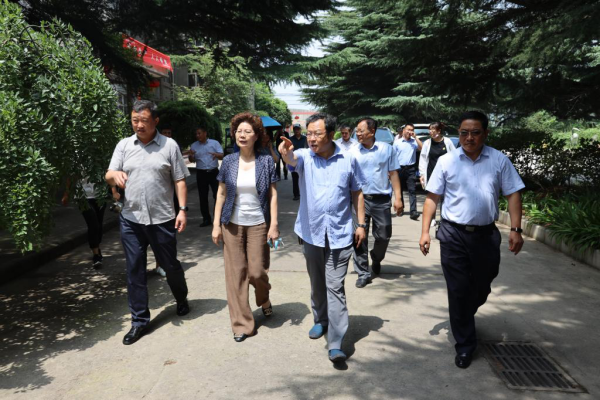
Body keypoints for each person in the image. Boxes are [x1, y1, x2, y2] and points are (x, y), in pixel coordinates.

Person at [419, 111, 525, 369]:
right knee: (458, 289)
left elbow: (513, 194)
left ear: (485, 133)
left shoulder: (499, 160)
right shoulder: (446, 161)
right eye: (464, 133)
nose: (469, 138)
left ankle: (464, 312)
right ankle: (465, 345)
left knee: (483, 283)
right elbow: (432, 198)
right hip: (453, 234)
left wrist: (516, 229)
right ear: (459, 133)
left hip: (486, 235)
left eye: (475, 133)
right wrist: (424, 232)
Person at [279, 113, 366, 364]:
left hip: (340, 233)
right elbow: (292, 159)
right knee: (317, 282)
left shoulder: (349, 159)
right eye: (309, 134)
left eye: (317, 134)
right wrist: (285, 153)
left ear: (330, 134)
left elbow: (357, 192)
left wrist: (361, 224)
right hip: (311, 232)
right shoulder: (305, 157)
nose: (312, 138)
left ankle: (336, 342)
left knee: (335, 286)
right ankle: (320, 319)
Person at [106, 100, 191, 346]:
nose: (139, 125)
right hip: (131, 219)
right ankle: (139, 321)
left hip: (162, 218)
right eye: (135, 120)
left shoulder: (169, 146)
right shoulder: (124, 145)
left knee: (170, 265)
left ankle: (181, 298)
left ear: (155, 121)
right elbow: (109, 174)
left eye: (144, 120)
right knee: (135, 269)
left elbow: (179, 180)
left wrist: (182, 210)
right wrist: (114, 176)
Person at [212, 112, 279, 342]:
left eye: (247, 131)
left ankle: (264, 299)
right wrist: (216, 225)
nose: (242, 135)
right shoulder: (229, 161)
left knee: (257, 272)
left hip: (258, 223)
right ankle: (242, 325)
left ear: (256, 135)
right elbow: (221, 194)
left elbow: (273, 194)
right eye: (238, 131)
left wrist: (274, 224)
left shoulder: (266, 161)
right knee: (236, 275)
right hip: (232, 224)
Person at [351, 118, 403, 287]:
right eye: (357, 130)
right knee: (359, 236)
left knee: (384, 235)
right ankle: (363, 273)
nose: (358, 133)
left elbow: (393, 173)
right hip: (359, 199)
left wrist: (398, 198)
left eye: (361, 130)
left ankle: (376, 257)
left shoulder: (387, 149)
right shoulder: (352, 151)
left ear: (372, 131)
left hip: (381, 199)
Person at [61, 178, 107, 269]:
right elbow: (70, 177)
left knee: (99, 225)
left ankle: (97, 247)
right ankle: (96, 255)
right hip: (83, 197)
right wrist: (66, 194)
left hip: (100, 195)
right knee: (93, 225)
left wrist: (113, 191)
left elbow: (109, 173)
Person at [418, 122, 456, 227]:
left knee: (445, 198)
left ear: (439, 131)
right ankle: (432, 218)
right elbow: (423, 158)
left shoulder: (447, 142)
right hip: (431, 173)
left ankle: (444, 219)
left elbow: (454, 156)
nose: (431, 132)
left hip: (445, 174)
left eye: (433, 130)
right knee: (432, 197)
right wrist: (422, 174)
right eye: (430, 130)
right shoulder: (427, 143)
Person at [189, 127, 224, 227]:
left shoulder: (214, 143)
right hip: (201, 173)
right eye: (196, 134)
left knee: (217, 195)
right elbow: (191, 160)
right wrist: (191, 156)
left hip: (214, 173)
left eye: (199, 133)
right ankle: (206, 219)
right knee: (203, 197)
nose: (197, 135)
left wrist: (216, 155)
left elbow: (222, 155)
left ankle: (217, 218)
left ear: (205, 133)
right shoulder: (194, 145)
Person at [393, 124, 423, 220]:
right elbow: (393, 156)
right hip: (399, 168)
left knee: (412, 190)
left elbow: (422, 148)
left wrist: (416, 137)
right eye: (408, 129)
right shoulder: (397, 142)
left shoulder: (414, 142)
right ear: (403, 130)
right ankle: (400, 208)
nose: (410, 131)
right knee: (400, 189)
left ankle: (413, 211)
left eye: (412, 130)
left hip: (411, 169)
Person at [289, 123, 308, 201]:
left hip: (304, 161)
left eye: (298, 129)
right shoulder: (290, 139)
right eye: (295, 129)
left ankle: (305, 194)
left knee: (305, 178)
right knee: (295, 178)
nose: (297, 130)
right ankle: (296, 194)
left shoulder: (305, 139)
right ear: (293, 130)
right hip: (294, 161)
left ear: (300, 130)